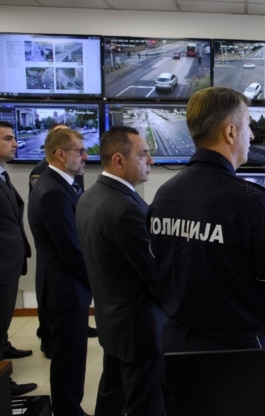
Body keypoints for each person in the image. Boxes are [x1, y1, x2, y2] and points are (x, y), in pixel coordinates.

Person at [147, 86, 265, 352]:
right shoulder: (253, 203)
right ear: (231, 132)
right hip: (235, 356)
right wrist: (250, 332)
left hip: (173, 349)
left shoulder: (164, 195)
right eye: (248, 125)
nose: (251, 135)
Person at [76, 126, 165, 415]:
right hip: (138, 329)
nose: (150, 161)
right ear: (118, 160)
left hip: (112, 320)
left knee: (112, 396)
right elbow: (154, 274)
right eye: (143, 154)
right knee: (144, 403)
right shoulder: (125, 209)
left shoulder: (89, 197)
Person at [28, 127, 92, 416]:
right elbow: (71, 249)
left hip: (60, 285)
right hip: (64, 289)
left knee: (69, 355)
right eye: (80, 151)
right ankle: (68, 411)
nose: (85, 157)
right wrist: (99, 281)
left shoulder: (55, 184)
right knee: (69, 358)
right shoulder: (54, 191)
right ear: (60, 154)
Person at [0, 121, 37, 397]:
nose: (15, 143)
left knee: (3, 317)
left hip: (9, 262)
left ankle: (3, 346)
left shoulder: (4, 174)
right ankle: (3, 385)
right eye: (8, 139)